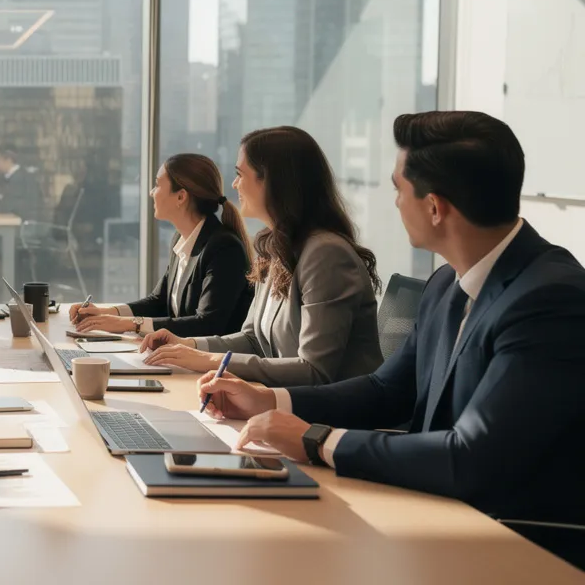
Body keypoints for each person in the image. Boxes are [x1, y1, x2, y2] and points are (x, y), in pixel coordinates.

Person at [199, 112, 585, 567]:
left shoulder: (550, 300)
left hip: (515, 548)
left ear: (435, 207)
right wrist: (271, 402)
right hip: (434, 516)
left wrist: (314, 439)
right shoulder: (446, 284)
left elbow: (473, 456)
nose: (396, 203)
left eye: (399, 190)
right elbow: (386, 390)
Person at [139, 127, 383, 385]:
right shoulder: (275, 247)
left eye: (240, 174)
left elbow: (314, 371)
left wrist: (210, 361)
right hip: (286, 404)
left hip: (330, 417)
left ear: (273, 181)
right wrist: (188, 345)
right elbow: (254, 340)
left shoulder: (326, 255)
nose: (234, 184)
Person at [70, 153, 252, 338]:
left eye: (157, 185)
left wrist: (128, 324)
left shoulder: (224, 248)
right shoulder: (181, 239)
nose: (151, 192)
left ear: (181, 197)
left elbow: (208, 324)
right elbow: (159, 301)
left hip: (211, 364)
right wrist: (105, 313)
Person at [0, 144, 46, 223]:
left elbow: (6, 207)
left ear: (8, 160)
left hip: (24, 228)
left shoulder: (19, 179)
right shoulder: (15, 176)